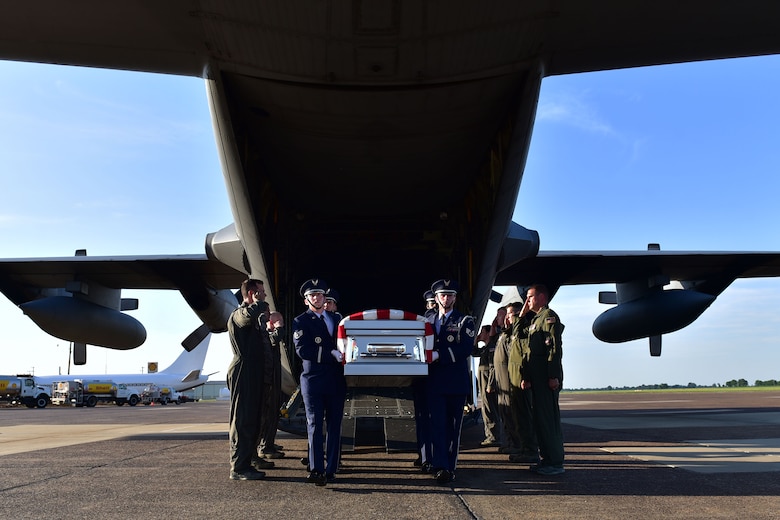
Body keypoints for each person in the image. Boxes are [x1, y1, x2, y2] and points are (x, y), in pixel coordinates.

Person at [293, 278, 346, 486]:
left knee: (335, 425)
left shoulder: (337, 318)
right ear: (306, 300)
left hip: (335, 380)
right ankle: (317, 469)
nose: (317, 298)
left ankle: (332, 469)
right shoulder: (300, 321)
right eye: (312, 295)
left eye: (320, 294)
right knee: (314, 424)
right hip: (313, 380)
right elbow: (302, 350)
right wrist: (330, 353)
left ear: (325, 297)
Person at [426, 279, 476, 484]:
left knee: (453, 428)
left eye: (450, 295)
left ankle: (450, 465)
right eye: (443, 295)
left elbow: (465, 349)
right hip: (435, 383)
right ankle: (440, 466)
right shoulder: (428, 322)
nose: (446, 298)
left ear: (455, 298)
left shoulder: (465, 321)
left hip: (455, 383)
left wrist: (440, 356)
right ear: (436, 298)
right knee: (437, 425)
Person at [515, 284, 565, 476]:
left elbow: (553, 349)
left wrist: (553, 376)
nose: (527, 301)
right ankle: (546, 460)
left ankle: (555, 461)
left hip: (546, 378)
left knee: (548, 421)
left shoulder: (549, 317)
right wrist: (521, 317)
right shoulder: (535, 319)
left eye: (530, 297)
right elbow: (520, 338)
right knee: (540, 421)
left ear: (542, 297)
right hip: (536, 379)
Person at [226, 278, 274, 480]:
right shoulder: (240, 314)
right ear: (252, 294)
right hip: (244, 372)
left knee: (254, 419)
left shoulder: (257, 319)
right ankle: (238, 467)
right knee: (243, 419)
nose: (264, 295)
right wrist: (257, 304)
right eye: (261, 292)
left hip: (256, 373)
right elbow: (245, 317)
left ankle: (249, 459)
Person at [494, 302, 522, 455]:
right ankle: (511, 442)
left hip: (510, 382)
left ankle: (517, 444)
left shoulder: (511, 335)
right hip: (502, 382)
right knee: (505, 413)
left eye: (502, 315)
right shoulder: (504, 334)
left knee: (512, 414)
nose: (499, 318)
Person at [257, 311, 286, 460]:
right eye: (279, 320)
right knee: (268, 415)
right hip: (269, 380)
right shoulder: (266, 335)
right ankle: (265, 447)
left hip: (273, 379)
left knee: (273, 414)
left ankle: (268, 443)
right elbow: (275, 339)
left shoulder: (267, 334)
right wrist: (279, 328)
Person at [412, 290, 435, 472]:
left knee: (427, 418)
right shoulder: (425, 322)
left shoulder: (426, 322)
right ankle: (425, 456)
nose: (432, 307)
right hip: (423, 376)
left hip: (429, 376)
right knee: (424, 418)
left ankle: (428, 457)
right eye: (430, 304)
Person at [473, 312, 502, 447]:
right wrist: (476, 340)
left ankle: (493, 436)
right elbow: (473, 352)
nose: (481, 335)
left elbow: (492, 368)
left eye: (482, 332)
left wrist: (490, 384)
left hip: (487, 380)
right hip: (483, 379)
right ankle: (491, 435)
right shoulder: (485, 348)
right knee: (486, 407)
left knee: (490, 408)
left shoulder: (491, 347)